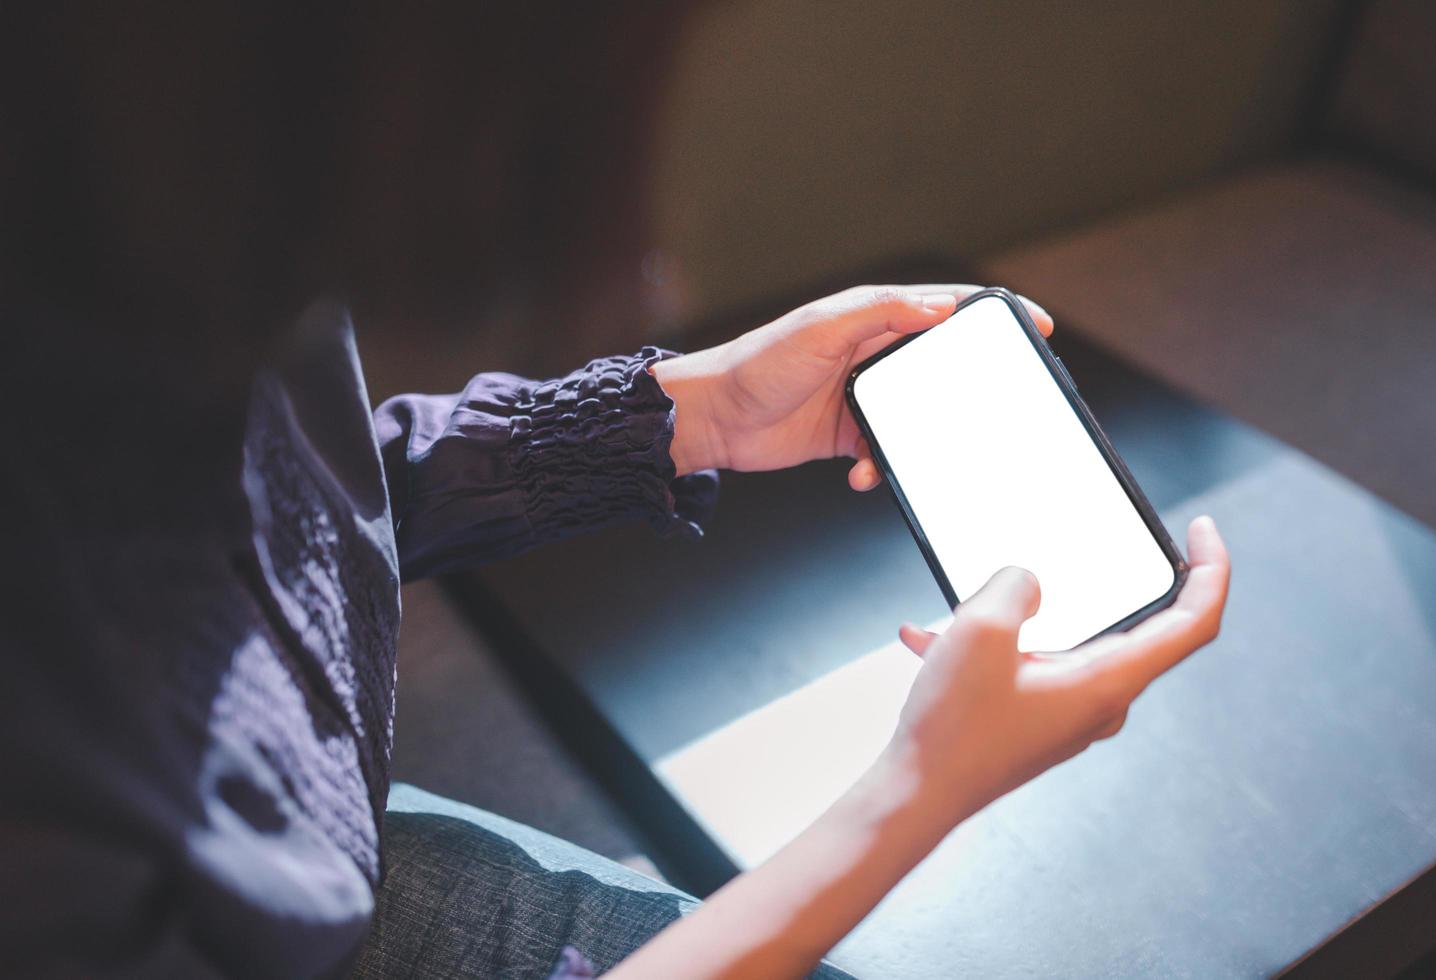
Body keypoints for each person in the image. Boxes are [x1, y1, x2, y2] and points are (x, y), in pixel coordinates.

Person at [0, 7, 1230, 978]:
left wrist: (697, 408)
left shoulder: (137, 228)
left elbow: (278, 504)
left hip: (308, 856)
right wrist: (916, 794)